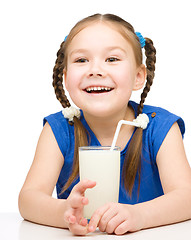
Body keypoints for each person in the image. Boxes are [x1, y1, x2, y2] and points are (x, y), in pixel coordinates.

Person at [18, 13, 191, 236]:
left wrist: (139, 215)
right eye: (82, 60)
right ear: (66, 77)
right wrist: (65, 212)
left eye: (112, 59)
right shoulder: (58, 129)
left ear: (138, 76)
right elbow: (28, 199)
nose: (95, 70)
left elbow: (187, 196)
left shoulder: (160, 128)